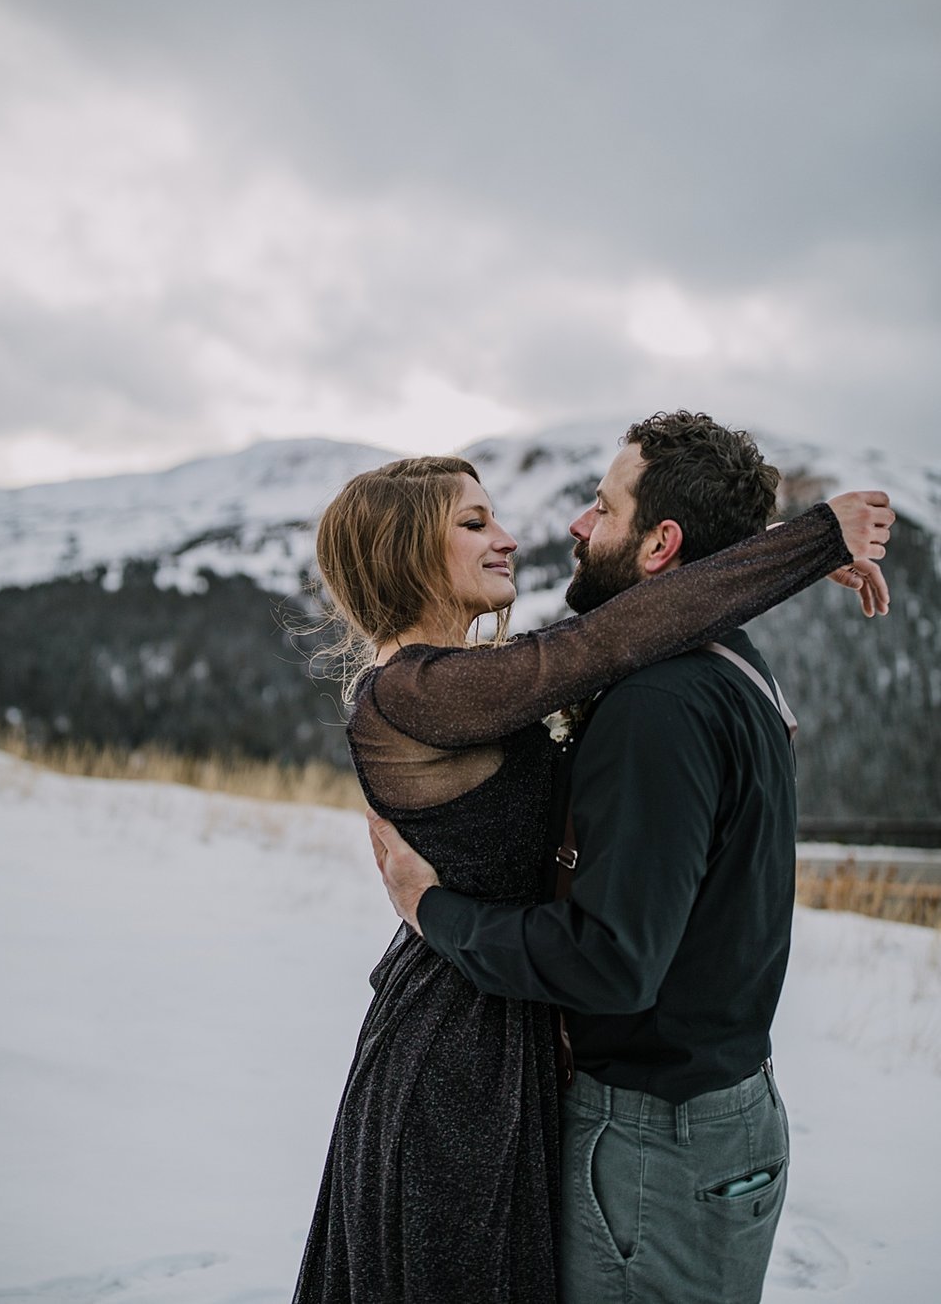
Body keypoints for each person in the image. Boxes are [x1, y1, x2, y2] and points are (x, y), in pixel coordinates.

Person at [293, 427, 892, 1304]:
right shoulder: (413, 691)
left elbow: (629, 629)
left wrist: (763, 565)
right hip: (457, 1046)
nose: (513, 537)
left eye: (494, 517)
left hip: (514, 1027)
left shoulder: (481, 673)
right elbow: (600, 645)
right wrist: (806, 545)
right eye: (474, 522)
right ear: (407, 552)